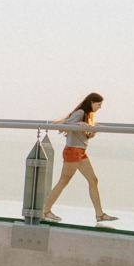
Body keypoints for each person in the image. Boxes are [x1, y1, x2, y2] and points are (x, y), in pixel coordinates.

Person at [41, 92, 117, 224]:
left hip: (81, 151)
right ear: (92, 102)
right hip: (73, 151)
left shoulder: (87, 116)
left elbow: (83, 135)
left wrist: (91, 130)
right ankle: (45, 210)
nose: (100, 107)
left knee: (93, 180)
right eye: (99, 104)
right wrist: (79, 124)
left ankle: (100, 214)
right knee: (63, 181)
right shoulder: (81, 112)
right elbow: (64, 126)